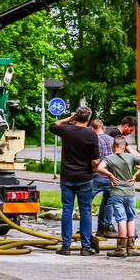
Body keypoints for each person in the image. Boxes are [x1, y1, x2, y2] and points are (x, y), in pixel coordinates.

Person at [50, 107, 99, 256]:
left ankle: (66, 247)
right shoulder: (91, 134)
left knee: (67, 210)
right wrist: (91, 170)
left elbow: (52, 126)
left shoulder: (66, 130)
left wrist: (68, 119)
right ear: (89, 119)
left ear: (75, 117)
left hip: (67, 177)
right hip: (85, 178)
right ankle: (85, 248)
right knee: (85, 211)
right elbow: (95, 161)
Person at [96, 136, 140, 257]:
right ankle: (131, 247)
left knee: (121, 219)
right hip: (130, 193)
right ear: (124, 147)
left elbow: (99, 168)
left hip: (116, 193)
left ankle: (121, 249)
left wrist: (110, 175)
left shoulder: (109, 158)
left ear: (112, 146)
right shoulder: (130, 157)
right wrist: (135, 176)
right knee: (131, 218)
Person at [91, 119, 116, 240]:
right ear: (103, 127)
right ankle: (105, 227)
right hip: (110, 175)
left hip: (96, 175)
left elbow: (93, 160)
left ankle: (83, 229)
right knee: (108, 203)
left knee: (86, 203)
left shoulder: (93, 140)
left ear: (92, 129)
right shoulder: (112, 140)